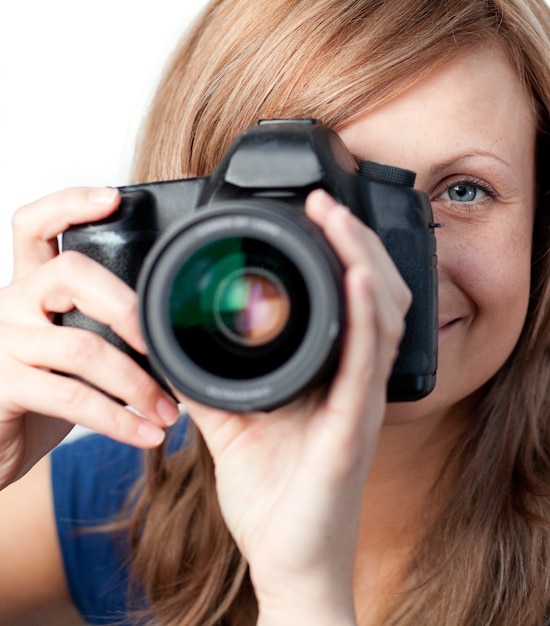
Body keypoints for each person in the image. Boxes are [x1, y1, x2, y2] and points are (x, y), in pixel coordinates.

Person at [0, 0, 550, 624]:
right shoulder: (116, 495)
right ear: (184, 237)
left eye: (463, 190)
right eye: (317, 204)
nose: (389, 275)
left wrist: (303, 595)